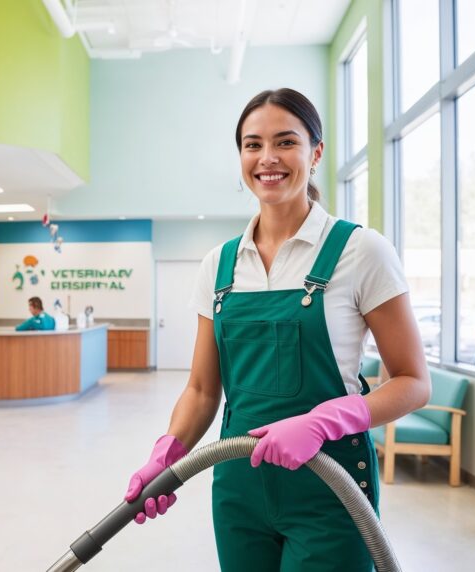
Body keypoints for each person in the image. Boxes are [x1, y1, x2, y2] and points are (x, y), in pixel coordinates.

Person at [123, 88, 431, 571]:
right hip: (238, 489)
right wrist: (168, 453)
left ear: (316, 152)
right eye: (252, 145)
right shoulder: (219, 265)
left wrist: (324, 420)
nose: (268, 159)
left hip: (332, 488)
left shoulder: (361, 251)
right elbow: (203, 390)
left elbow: (414, 383)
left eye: (286, 142)